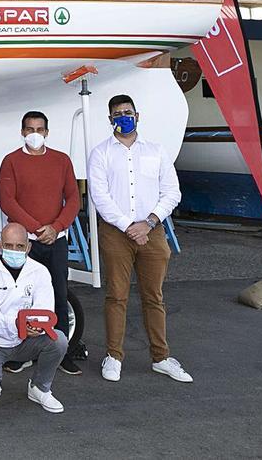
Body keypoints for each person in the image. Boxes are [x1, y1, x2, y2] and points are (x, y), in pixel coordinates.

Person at [88, 95, 192, 384]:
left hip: (152, 232)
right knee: (116, 296)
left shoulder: (156, 151)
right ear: (110, 120)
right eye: (117, 113)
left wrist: (148, 222)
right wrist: (128, 226)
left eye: (128, 112)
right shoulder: (100, 154)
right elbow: (100, 196)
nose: (123, 116)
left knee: (154, 297)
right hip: (115, 232)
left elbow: (172, 192)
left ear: (137, 115)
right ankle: (114, 356)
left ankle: (160, 357)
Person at [0, 110, 83, 376]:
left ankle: (62, 352)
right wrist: (36, 229)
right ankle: (22, 352)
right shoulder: (11, 161)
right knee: (22, 297)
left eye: (39, 129)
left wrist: (55, 228)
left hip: (55, 240)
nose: (34, 134)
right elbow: (7, 202)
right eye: (29, 129)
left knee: (58, 294)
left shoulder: (61, 160)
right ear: (22, 132)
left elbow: (73, 198)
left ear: (47, 131)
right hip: (26, 244)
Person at [0, 223, 69, 414]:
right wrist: (16, 325)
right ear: (0, 245)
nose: (13, 250)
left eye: (20, 246)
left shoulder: (40, 271)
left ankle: (40, 388)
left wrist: (36, 327)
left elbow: (45, 309)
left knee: (59, 340)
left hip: (26, 338)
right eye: (8, 245)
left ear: (28, 247)